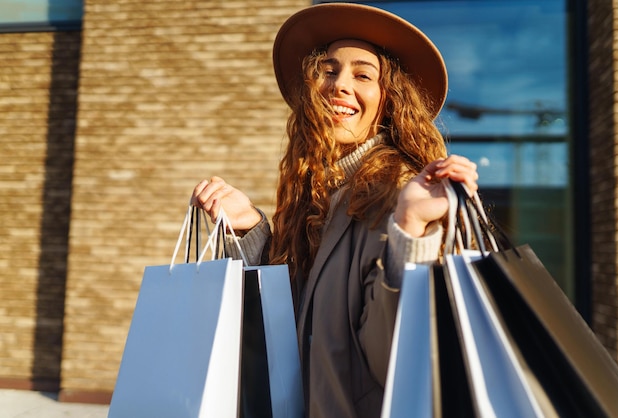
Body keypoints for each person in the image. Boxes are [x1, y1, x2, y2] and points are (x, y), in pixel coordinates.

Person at [191, 3, 478, 417]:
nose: (339, 85)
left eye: (363, 74)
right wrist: (252, 229)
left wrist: (411, 231)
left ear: (390, 99)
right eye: (328, 71)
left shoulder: (397, 195)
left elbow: (400, 356)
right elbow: (294, 331)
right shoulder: (316, 192)